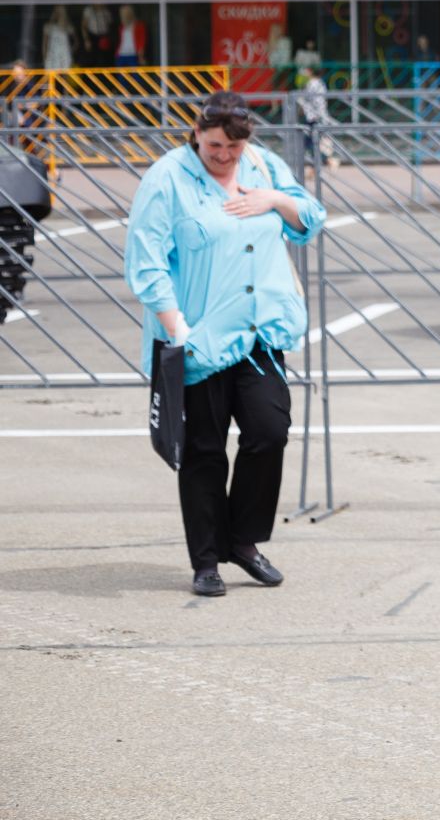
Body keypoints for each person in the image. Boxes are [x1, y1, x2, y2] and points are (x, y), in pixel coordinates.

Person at [124, 90, 327, 597]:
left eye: (233, 148)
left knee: (269, 431)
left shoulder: (262, 164)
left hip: (259, 331)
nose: (224, 156)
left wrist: (275, 200)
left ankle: (243, 540)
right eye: (215, 145)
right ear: (197, 133)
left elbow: (310, 220)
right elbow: (146, 263)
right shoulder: (166, 178)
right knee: (204, 451)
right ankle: (207, 560)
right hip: (196, 337)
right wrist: (177, 328)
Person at [296, 69, 339, 174]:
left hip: (314, 118)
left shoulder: (313, 84)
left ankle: (328, 161)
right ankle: (314, 167)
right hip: (316, 117)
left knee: (311, 143)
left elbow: (312, 101)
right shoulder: (319, 83)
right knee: (311, 143)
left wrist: (301, 104)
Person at [80, 0, 114, 67]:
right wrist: (86, 40)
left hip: (104, 38)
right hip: (92, 37)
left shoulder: (106, 11)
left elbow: (110, 25)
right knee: (91, 61)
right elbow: (83, 26)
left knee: (104, 61)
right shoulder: (88, 10)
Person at [41, 5, 75, 71]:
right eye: (57, 11)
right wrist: (45, 56)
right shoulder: (48, 26)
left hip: (65, 55)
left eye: (61, 12)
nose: (58, 14)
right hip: (52, 55)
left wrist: (70, 51)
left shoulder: (68, 27)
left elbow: (76, 42)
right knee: (51, 76)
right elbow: (44, 43)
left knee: (64, 76)